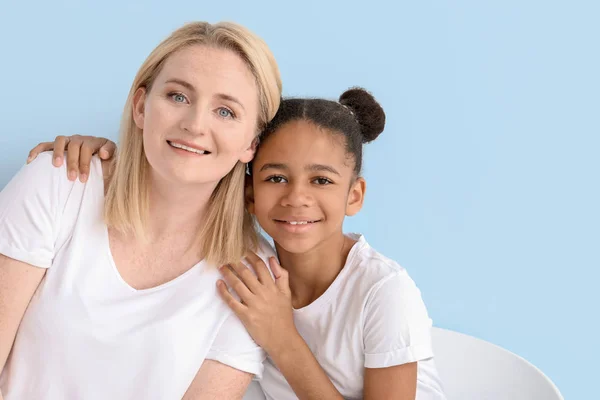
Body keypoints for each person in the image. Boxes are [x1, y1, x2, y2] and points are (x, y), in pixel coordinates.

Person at [30, 88, 446, 399]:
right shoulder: (249, 267)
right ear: (249, 194)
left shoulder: (383, 291)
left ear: (354, 195)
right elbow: (181, 190)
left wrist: (281, 337)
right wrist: (105, 158)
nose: (296, 197)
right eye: (275, 178)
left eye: (321, 180)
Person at [0, 21, 282, 400]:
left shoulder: (251, 278)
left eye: (226, 112)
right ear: (140, 107)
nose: (195, 124)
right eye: (178, 96)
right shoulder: (57, 184)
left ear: (252, 142)